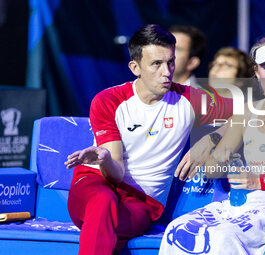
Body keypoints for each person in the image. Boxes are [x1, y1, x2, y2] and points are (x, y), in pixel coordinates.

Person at [64, 24, 233, 255]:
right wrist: (103, 158)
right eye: (156, 64)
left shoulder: (189, 99)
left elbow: (255, 112)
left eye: (170, 62)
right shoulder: (108, 100)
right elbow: (115, 173)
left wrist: (212, 139)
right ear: (135, 67)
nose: (167, 71)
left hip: (142, 203)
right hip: (97, 183)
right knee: (103, 202)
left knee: (106, 222)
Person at [159, 31, 265, 255]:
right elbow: (212, 170)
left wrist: (259, 180)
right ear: (256, 72)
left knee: (220, 237)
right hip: (241, 204)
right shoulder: (246, 112)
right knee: (176, 229)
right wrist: (213, 144)